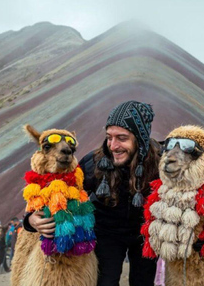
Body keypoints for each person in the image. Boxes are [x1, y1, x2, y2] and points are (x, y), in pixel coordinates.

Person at [26, 100, 160, 286]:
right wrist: (31, 220)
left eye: (122, 138)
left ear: (140, 138)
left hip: (146, 234)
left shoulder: (162, 164)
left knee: (144, 282)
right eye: (109, 137)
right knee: (105, 282)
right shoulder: (93, 163)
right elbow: (63, 191)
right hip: (106, 234)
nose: (113, 145)